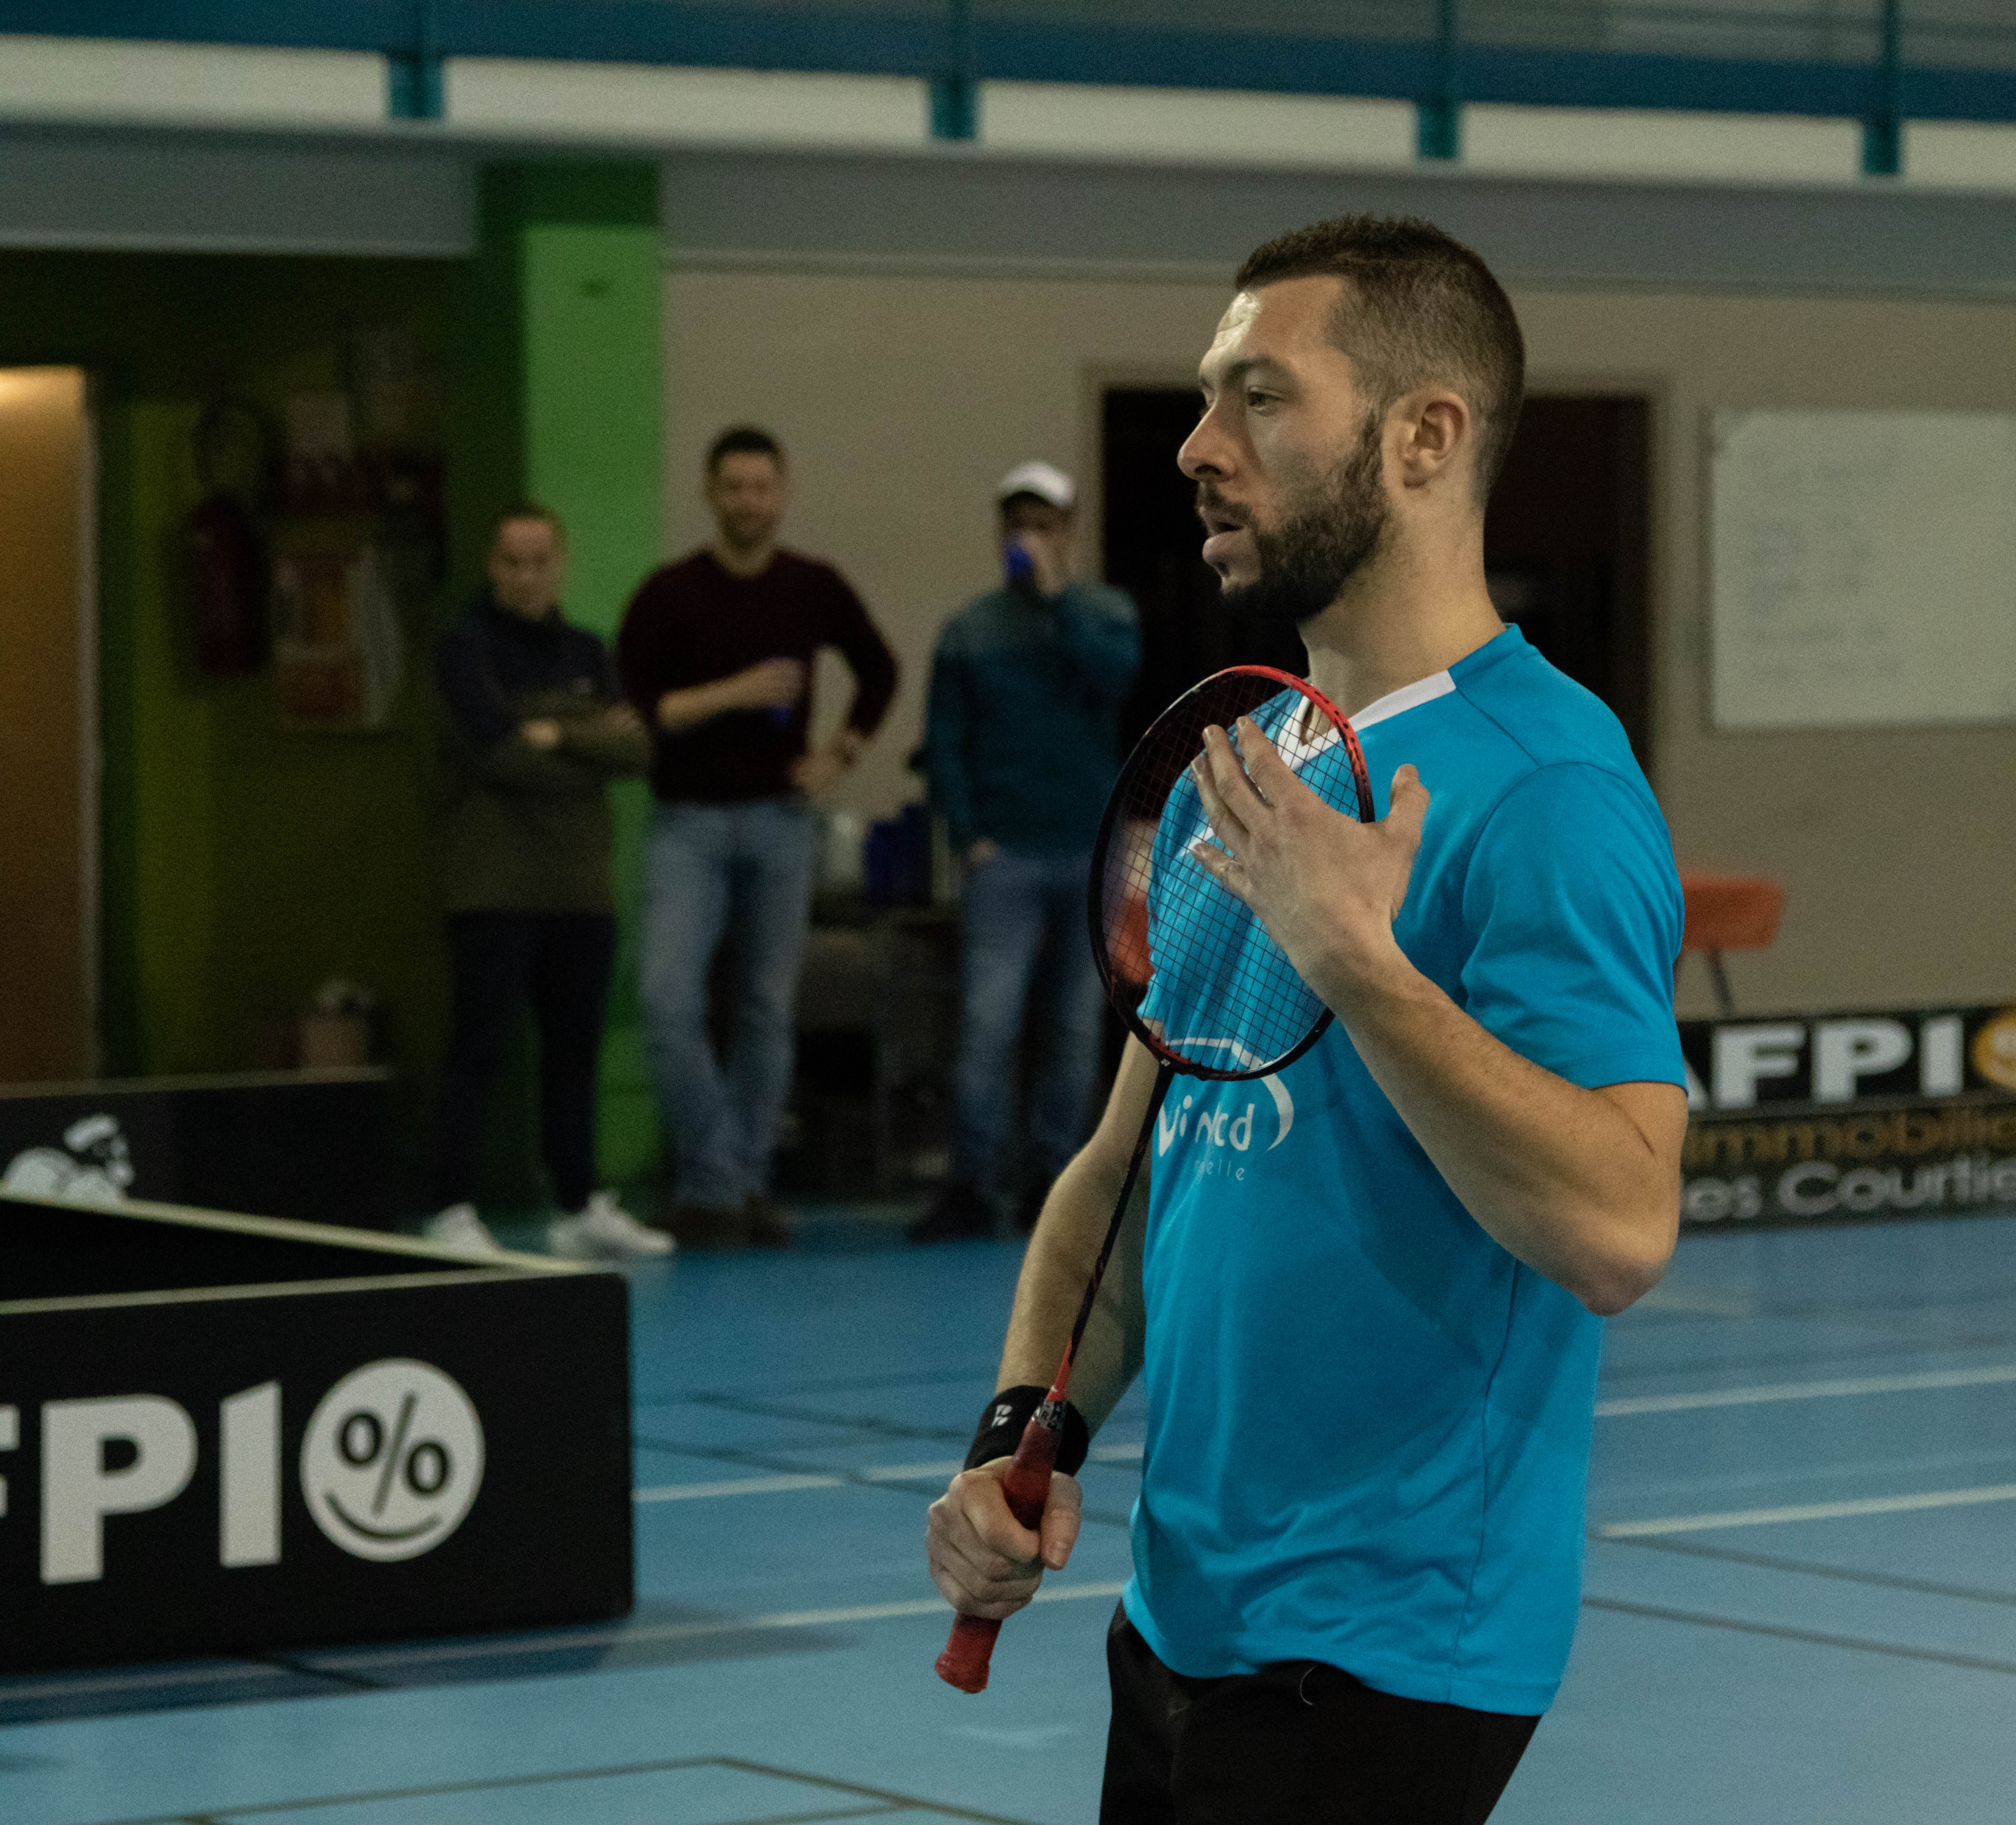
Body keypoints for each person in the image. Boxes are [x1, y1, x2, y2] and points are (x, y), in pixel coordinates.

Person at [924, 218, 1688, 1822]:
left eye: (1261, 398)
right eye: (1212, 397)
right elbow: (1123, 1178)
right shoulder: (1255, 765)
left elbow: (1621, 1227)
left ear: (1427, 436)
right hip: (1180, 1619)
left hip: (1384, 1648)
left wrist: (1362, 966)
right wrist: (1022, 1434)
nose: (1200, 446)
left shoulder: (1547, 789)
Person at [618, 427, 900, 1246]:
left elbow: (879, 670)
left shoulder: (812, 587)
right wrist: (735, 692)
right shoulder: (669, 595)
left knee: (766, 1009)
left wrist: (841, 752)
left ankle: (734, 1187)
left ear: (782, 494)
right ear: (710, 494)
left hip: (781, 820)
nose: (747, 501)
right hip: (688, 822)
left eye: (760, 487)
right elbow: (640, 711)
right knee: (666, 1000)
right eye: (733, 487)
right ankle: (721, 1178)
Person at [425, 505, 672, 1261]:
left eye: (540, 561)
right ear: (491, 565)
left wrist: (558, 732)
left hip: (580, 891)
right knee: (480, 1048)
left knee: (576, 1053)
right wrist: (588, 746)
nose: (526, 576)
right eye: (512, 562)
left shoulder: (589, 651)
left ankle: (578, 1205)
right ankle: (450, 1207)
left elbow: (638, 753)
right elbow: (497, 753)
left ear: (560, 564)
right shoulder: (464, 650)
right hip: (493, 888)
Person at [913, 461, 1140, 1241]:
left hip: (1089, 847)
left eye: (1043, 525)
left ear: (1067, 533)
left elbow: (1114, 684)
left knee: (1076, 1026)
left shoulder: (1106, 615)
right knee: (989, 1023)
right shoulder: (969, 630)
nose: (1028, 537)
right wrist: (968, 835)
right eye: (1017, 525)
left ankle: (1054, 1179)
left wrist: (1057, 602)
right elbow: (945, 739)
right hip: (1004, 853)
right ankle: (972, 1182)